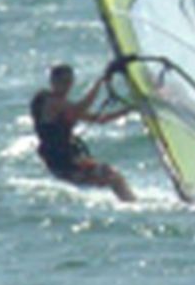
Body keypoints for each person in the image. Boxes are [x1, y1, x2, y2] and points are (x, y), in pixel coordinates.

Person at [30, 62, 135, 202]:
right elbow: (81, 108)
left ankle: (131, 203)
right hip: (62, 164)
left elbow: (100, 119)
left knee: (113, 177)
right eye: (63, 82)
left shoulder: (64, 106)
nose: (67, 86)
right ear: (53, 82)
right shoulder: (49, 102)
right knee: (112, 178)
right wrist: (99, 83)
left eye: (69, 82)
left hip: (70, 160)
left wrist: (130, 109)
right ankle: (132, 205)